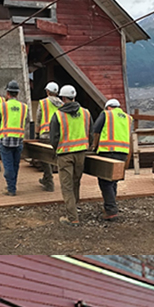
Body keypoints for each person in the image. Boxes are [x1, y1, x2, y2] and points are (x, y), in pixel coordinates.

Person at [49, 85, 91, 225]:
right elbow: (90, 133)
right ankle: (74, 207)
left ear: (63, 98)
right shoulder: (85, 113)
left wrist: (58, 148)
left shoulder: (58, 115)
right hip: (81, 153)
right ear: (74, 97)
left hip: (65, 154)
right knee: (76, 182)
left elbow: (54, 138)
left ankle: (72, 218)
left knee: (66, 186)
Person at [91, 98, 132, 220]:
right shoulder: (128, 118)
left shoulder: (106, 114)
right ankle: (110, 206)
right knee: (113, 181)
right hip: (123, 152)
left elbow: (96, 131)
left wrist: (94, 146)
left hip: (108, 152)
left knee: (105, 181)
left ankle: (111, 210)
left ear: (108, 107)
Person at [0, 80, 28, 196]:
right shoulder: (24, 107)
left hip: (5, 140)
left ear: (8, 93)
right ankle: (12, 186)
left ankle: (11, 188)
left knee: (8, 165)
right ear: (18, 93)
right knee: (15, 165)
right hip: (18, 140)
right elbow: (24, 123)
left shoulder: (3, 106)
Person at [35, 82, 62, 191]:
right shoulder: (62, 104)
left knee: (44, 158)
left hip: (45, 134)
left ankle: (49, 181)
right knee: (52, 156)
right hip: (58, 135)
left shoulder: (43, 102)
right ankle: (46, 178)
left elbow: (38, 119)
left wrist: (36, 133)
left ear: (47, 91)